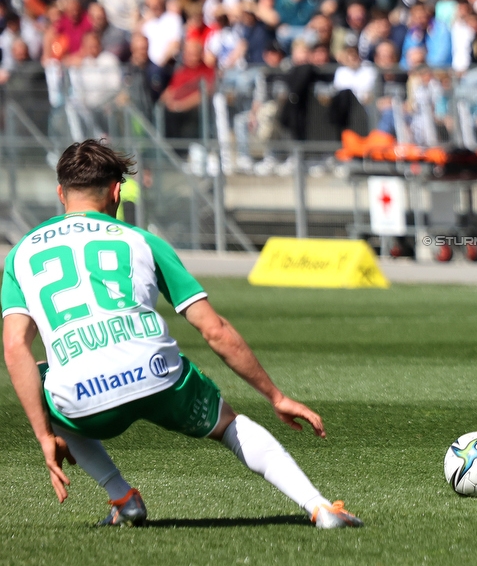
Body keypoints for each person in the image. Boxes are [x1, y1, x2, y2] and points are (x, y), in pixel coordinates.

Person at [1, 140, 363, 530]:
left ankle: (122, 496)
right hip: (157, 377)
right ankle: (320, 507)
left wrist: (43, 434)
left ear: (60, 193)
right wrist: (276, 396)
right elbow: (214, 329)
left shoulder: (20, 254)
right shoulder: (142, 240)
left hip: (83, 400)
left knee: (39, 376)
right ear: (117, 190)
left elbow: (14, 346)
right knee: (226, 424)